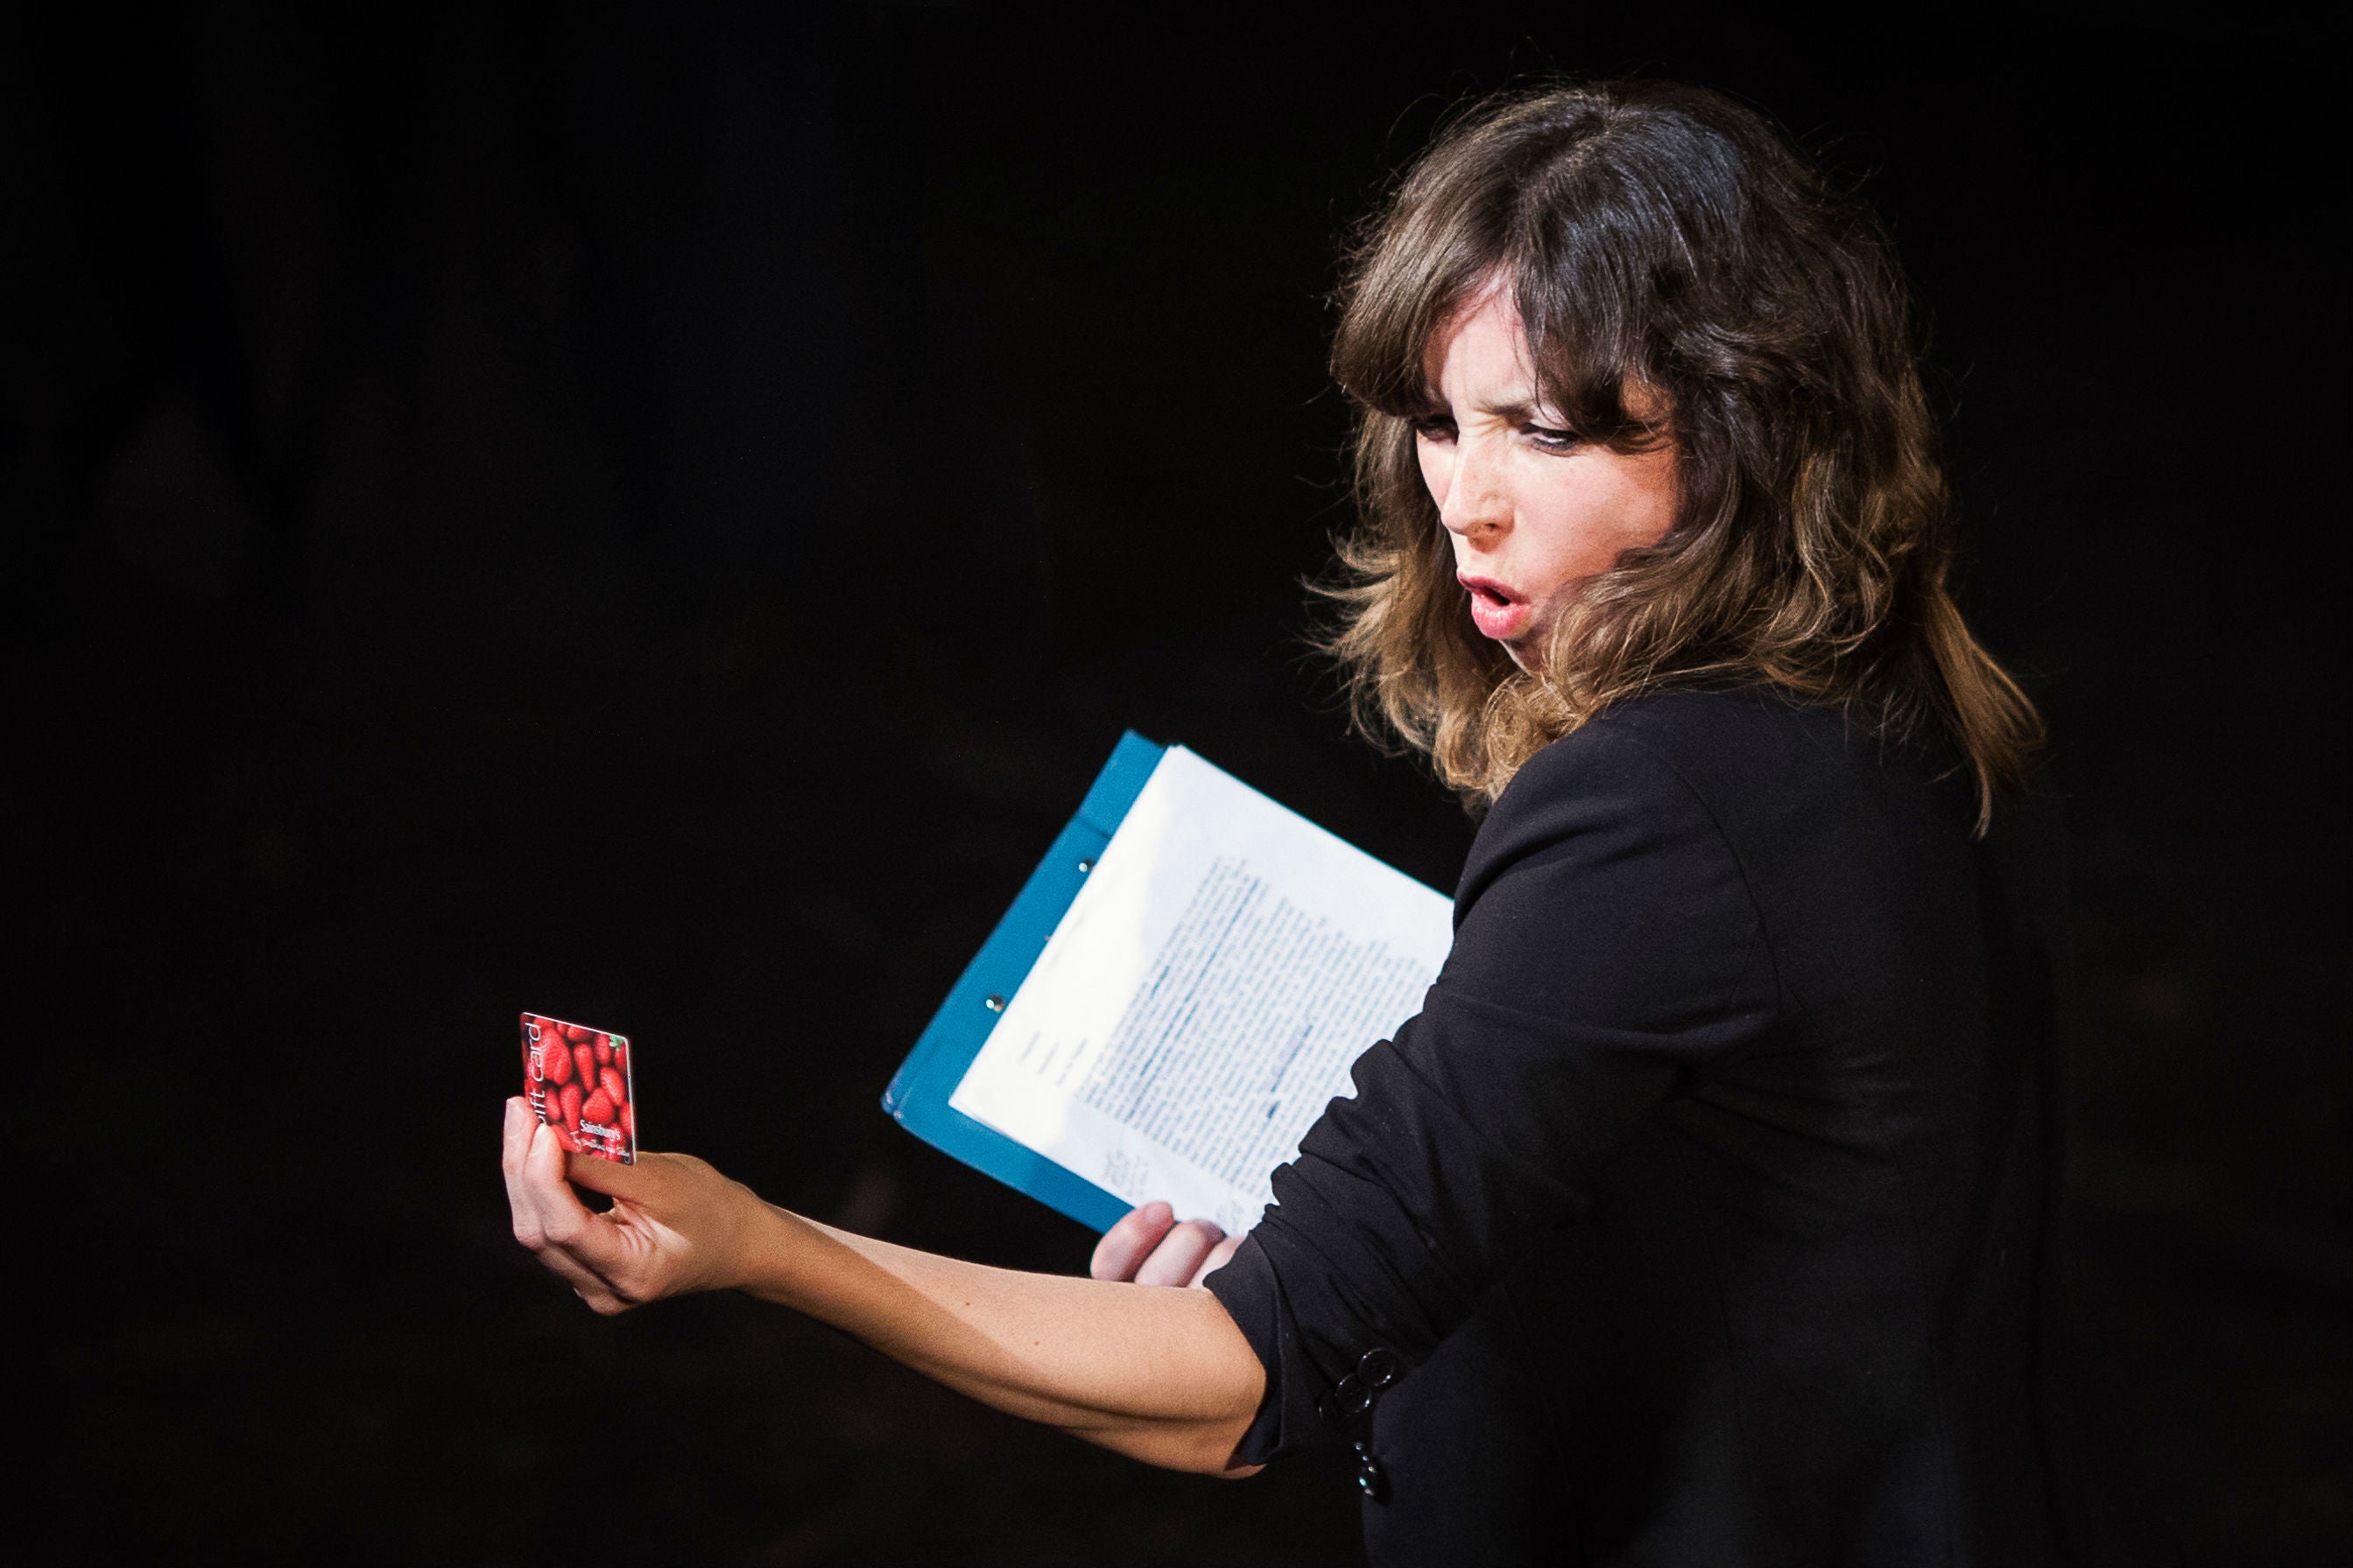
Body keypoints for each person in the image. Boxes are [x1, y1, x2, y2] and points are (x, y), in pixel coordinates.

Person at [503, 81, 2167, 1564]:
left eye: (1548, 429)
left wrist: (759, 1243)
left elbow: (1240, 1381)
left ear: (1744, 434)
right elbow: (1781, 1237)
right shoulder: (1917, 713)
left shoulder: (1663, 803)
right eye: (1444, 421)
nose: (1468, 498)